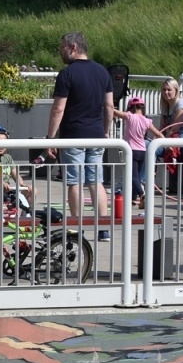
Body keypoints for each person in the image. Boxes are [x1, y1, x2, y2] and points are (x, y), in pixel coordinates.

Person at [45, 32, 114, 240]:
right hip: (96, 135)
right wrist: (106, 130)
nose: (61, 52)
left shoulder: (67, 74)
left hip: (73, 136)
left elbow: (58, 109)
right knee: (96, 181)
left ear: (73, 47)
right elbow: (109, 105)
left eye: (62, 47)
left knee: (74, 181)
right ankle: (104, 228)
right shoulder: (103, 72)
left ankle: (76, 227)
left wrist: (50, 138)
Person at [113, 97, 153, 207]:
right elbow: (158, 134)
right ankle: (133, 199)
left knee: (132, 177)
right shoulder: (147, 121)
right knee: (138, 177)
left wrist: (107, 104)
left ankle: (142, 194)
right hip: (142, 151)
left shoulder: (130, 116)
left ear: (130, 108)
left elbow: (114, 112)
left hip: (131, 151)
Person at [0, 126, 34, 202]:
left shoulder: (8, 158)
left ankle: (25, 213)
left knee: (32, 190)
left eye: (4, 143)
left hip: (7, 189)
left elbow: (15, 174)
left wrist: (22, 184)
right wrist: (2, 183)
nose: (0, 146)